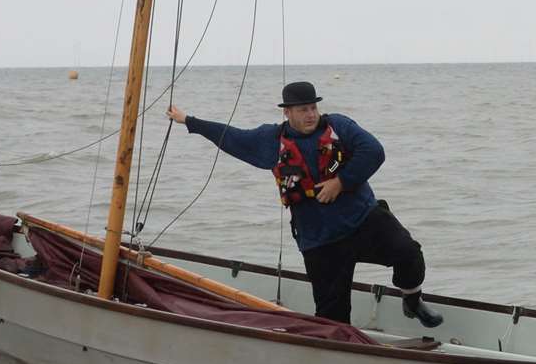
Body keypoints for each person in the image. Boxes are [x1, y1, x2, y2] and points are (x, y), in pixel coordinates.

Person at [166, 81, 443, 331]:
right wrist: (189, 121)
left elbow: (374, 151)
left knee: (409, 253)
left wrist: (341, 182)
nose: (311, 114)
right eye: (303, 110)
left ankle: (412, 300)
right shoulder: (270, 141)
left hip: (364, 221)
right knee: (332, 320)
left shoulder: (340, 127)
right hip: (320, 242)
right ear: (287, 113)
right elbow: (232, 137)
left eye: (313, 107)